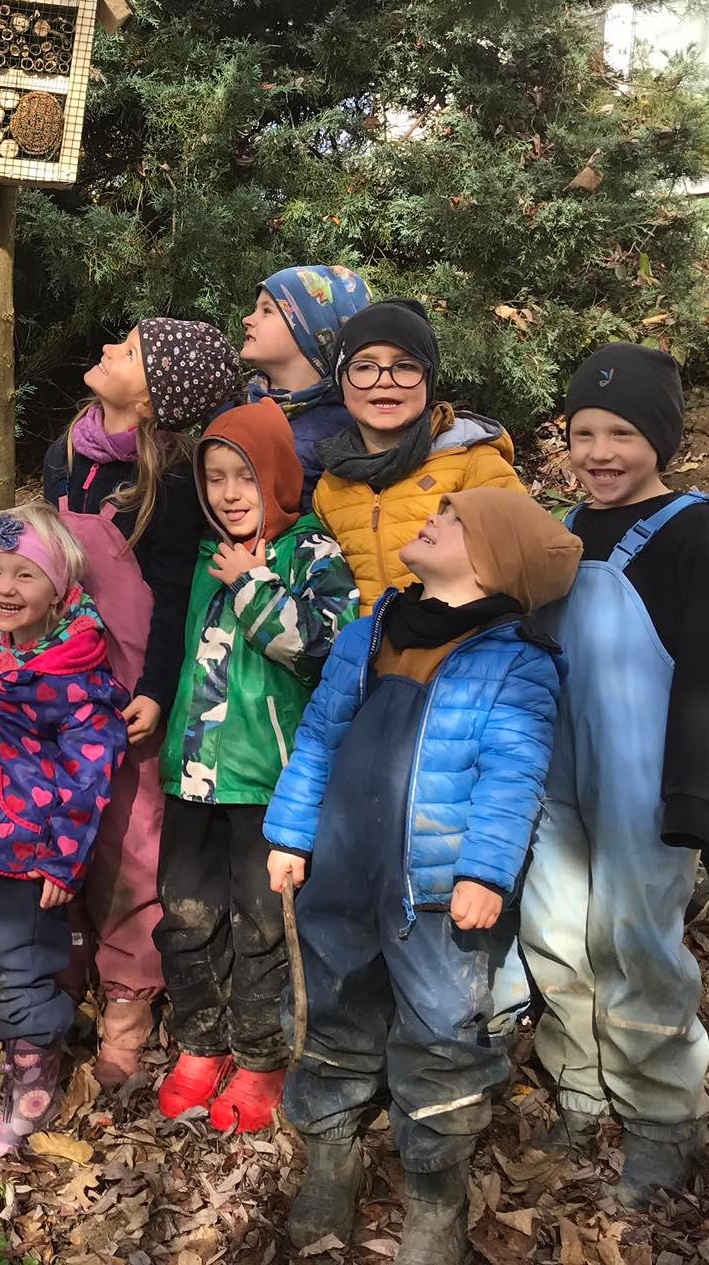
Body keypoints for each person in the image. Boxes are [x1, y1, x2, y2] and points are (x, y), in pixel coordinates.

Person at [266, 489, 581, 1262]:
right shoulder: (370, 632)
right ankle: (331, 1149)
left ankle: (435, 1189)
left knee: (442, 1027)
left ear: (493, 561)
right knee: (333, 1000)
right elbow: (319, 736)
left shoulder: (515, 660)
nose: (434, 516)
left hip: (436, 890)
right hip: (343, 865)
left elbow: (514, 775)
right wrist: (291, 832)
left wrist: (486, 872)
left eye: (456, 517)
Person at [519, 344, 709, 1207]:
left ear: (661, 439)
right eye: (584, 433)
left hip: (645, 779)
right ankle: (580, 1081)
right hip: (555, 769)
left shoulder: (691, 530)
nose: (600, 452)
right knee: (555, 926)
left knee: (637, 936)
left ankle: (661, 1111)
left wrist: (691, 794)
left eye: (622, 433)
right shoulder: (563, 530)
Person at [41, 318, 242, 1084]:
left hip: (129, 688)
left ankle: (128, 997)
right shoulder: (66, 453)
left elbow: (170, 596)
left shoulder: (171, 480)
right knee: (59, 822)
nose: (104, 349)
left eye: (126, 352)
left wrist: (156, 689)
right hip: (59, 680)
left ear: (155, 397)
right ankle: (64, 969)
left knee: (130, 838)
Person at [153, 400, 356, 1134]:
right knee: (185, 914)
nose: (230, 493)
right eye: (215, 478)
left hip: (267, 781)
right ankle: (201, 1043)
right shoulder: (206, 553)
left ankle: (263, 1055)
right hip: (192, 774)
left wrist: (251, 583)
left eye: (244, 476)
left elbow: (319, 649)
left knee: (263, 924)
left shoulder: (313, 551)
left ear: (276, 473)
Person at [0, 506, 131, 1154]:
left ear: (59, 588)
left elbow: (91, 770)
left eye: (25, 574)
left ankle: (32, 1089)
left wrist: (63, 859)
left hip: (23, 854)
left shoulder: (73, 670)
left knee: (20, 965)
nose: (4, 588)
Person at [314, 299, 525, 610]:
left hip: (460, 635)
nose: (385, 380)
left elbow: (521, 561)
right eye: (364, 367)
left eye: (405, 366)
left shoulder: (472, 463)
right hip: (372, 640)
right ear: (340, 381)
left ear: (429, 379)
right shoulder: (330, 487)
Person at [240, 264, 374, 509]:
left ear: (312, 329)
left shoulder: (347, 434)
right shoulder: (233, 411)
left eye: (267, 311)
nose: (247, 320)